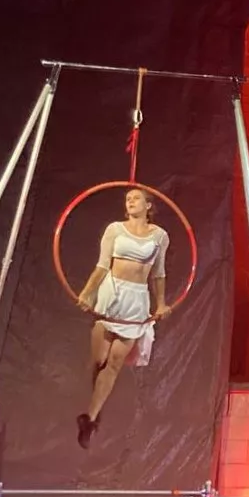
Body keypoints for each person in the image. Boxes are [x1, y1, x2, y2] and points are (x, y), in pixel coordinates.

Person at [74, 188, 172, 448]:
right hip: (112, 293)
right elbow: (102, 265)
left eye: (136, 198)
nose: (130, 201)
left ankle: (90, 418)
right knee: (99, 360)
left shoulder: (160, 236)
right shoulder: (115, 229)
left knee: (115, 364)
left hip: (136, 301)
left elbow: (158, 273)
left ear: (149, 205)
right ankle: (97, 403)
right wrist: (86, 293)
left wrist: (161, 304)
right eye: (127, 199)